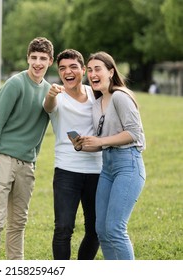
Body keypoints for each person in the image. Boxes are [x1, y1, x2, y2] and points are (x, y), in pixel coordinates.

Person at [0, 37, 53, 260]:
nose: (37, 63)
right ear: (27, 59)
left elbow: (40, 130)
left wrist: (33, 160)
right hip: (2, 160)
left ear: (50, 61)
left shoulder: (49, 92)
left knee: (18, 223)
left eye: (42, 58)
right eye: (33, 58)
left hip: (26, 164)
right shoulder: (15, 84)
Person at [74, 51, 146, 260]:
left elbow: (134, 134)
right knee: (102, 231)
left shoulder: (121, 97)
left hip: (128, 165)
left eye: (98, 69)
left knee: (115, 228)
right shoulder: (97, 104)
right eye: (89, 70)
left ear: (111, 71)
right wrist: (82, 145)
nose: (92, 74)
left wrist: (101, 141)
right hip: (107, 168)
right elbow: (101, 142)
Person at [43, 49, 102, 260]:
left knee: (95, 229)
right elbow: (48, 106)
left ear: (83, 70)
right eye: (62, 68)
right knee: (63, 229)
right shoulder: (56, 96)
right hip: (67, 171)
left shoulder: (95, 95)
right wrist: (50, 96)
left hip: (97, 170)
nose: (68, 72)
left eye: (73, 67)